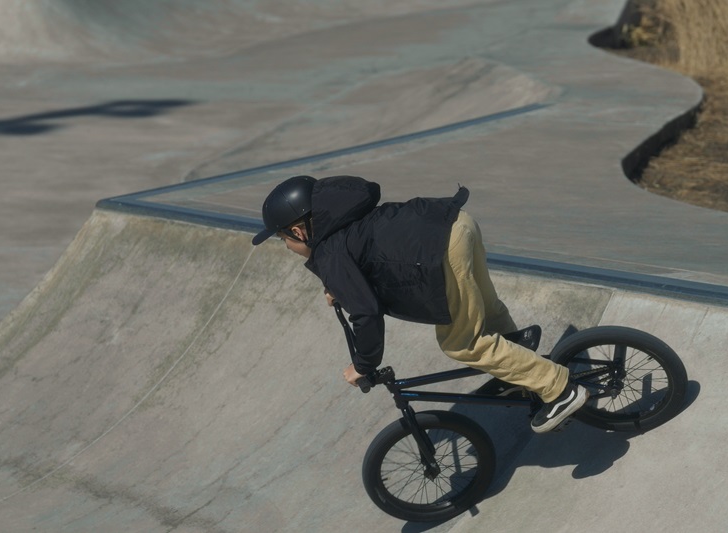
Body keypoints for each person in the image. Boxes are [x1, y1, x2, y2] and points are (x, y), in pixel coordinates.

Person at [252, 174, 588, 433]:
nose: (288, 248)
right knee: (484, 310)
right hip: (455, 223)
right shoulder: (341, 219)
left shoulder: (329, 253)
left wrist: (364, 365)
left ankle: (558, 389)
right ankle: (519, 375)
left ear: (298, 231)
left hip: (442, 252)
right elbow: (368, 255)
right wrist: (339, 287)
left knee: (462, 343)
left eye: (285, 242)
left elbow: (366, 312)